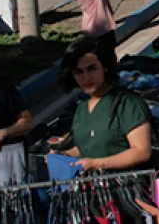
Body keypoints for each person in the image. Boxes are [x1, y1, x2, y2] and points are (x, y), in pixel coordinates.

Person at [57, 38, 152, 172]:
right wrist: (62, 156)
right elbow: (88, 147)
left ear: (105, 67)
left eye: (92, 69)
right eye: (78, 72)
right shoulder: (82, 108)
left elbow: (141, 152)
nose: (86, 78)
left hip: (125, 187)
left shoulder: (128, 103)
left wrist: (97, 164)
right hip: (91, 189)